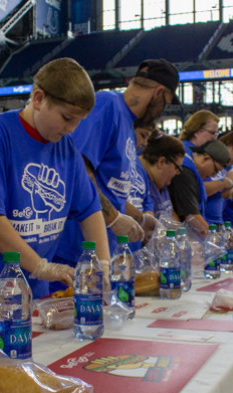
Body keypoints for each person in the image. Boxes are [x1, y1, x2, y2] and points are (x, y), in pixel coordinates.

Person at [0, 58, 110, 310]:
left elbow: (90, 210)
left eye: (79, 121)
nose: (72, 129)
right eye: (67, 118)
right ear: (38, 99)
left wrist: (103, 264)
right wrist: (40, 266)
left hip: (34, 297)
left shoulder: (65, 146)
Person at [54, 59, 179, 268]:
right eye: (166, 102)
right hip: (78, 253)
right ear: (158, 92)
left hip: (105, 252)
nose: (162, 110)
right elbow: (77, 173)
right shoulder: (107, 105)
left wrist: (140, 218)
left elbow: (110, 190)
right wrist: (112, 218)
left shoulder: (127, 123)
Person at [168, 140, 232, 236]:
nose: (213, 175)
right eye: (216, 170)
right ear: (206, 158)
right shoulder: (185, 172)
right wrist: (214, 239)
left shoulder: (191, 166)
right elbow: (191, 216)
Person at [203, 130, 233, 226]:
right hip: (205, 221)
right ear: (229, 146)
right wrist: (227, 181)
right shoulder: (210, 162)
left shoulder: (227, 166)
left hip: (217, 221)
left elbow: (219, 192)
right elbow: (200, 189)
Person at [138, 131, 186, 219]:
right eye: (177, 168)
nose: (178, 173)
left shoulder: (160, 182)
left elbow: (170, 214)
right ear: (162, 162)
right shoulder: (139, 182)